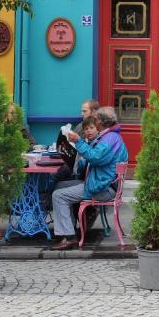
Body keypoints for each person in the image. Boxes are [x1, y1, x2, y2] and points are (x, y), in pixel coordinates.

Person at [50, 106, 128, 250]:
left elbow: (95, 157)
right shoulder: (109, 136)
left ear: (101, 122)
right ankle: (70, 228)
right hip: (102, 183)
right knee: (60, 186)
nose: (94, 120)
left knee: (58, 195)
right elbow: (92, 159)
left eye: (97, 118)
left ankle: (69, 237)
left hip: (103, 188)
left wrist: (79, 142)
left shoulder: (109, 138)